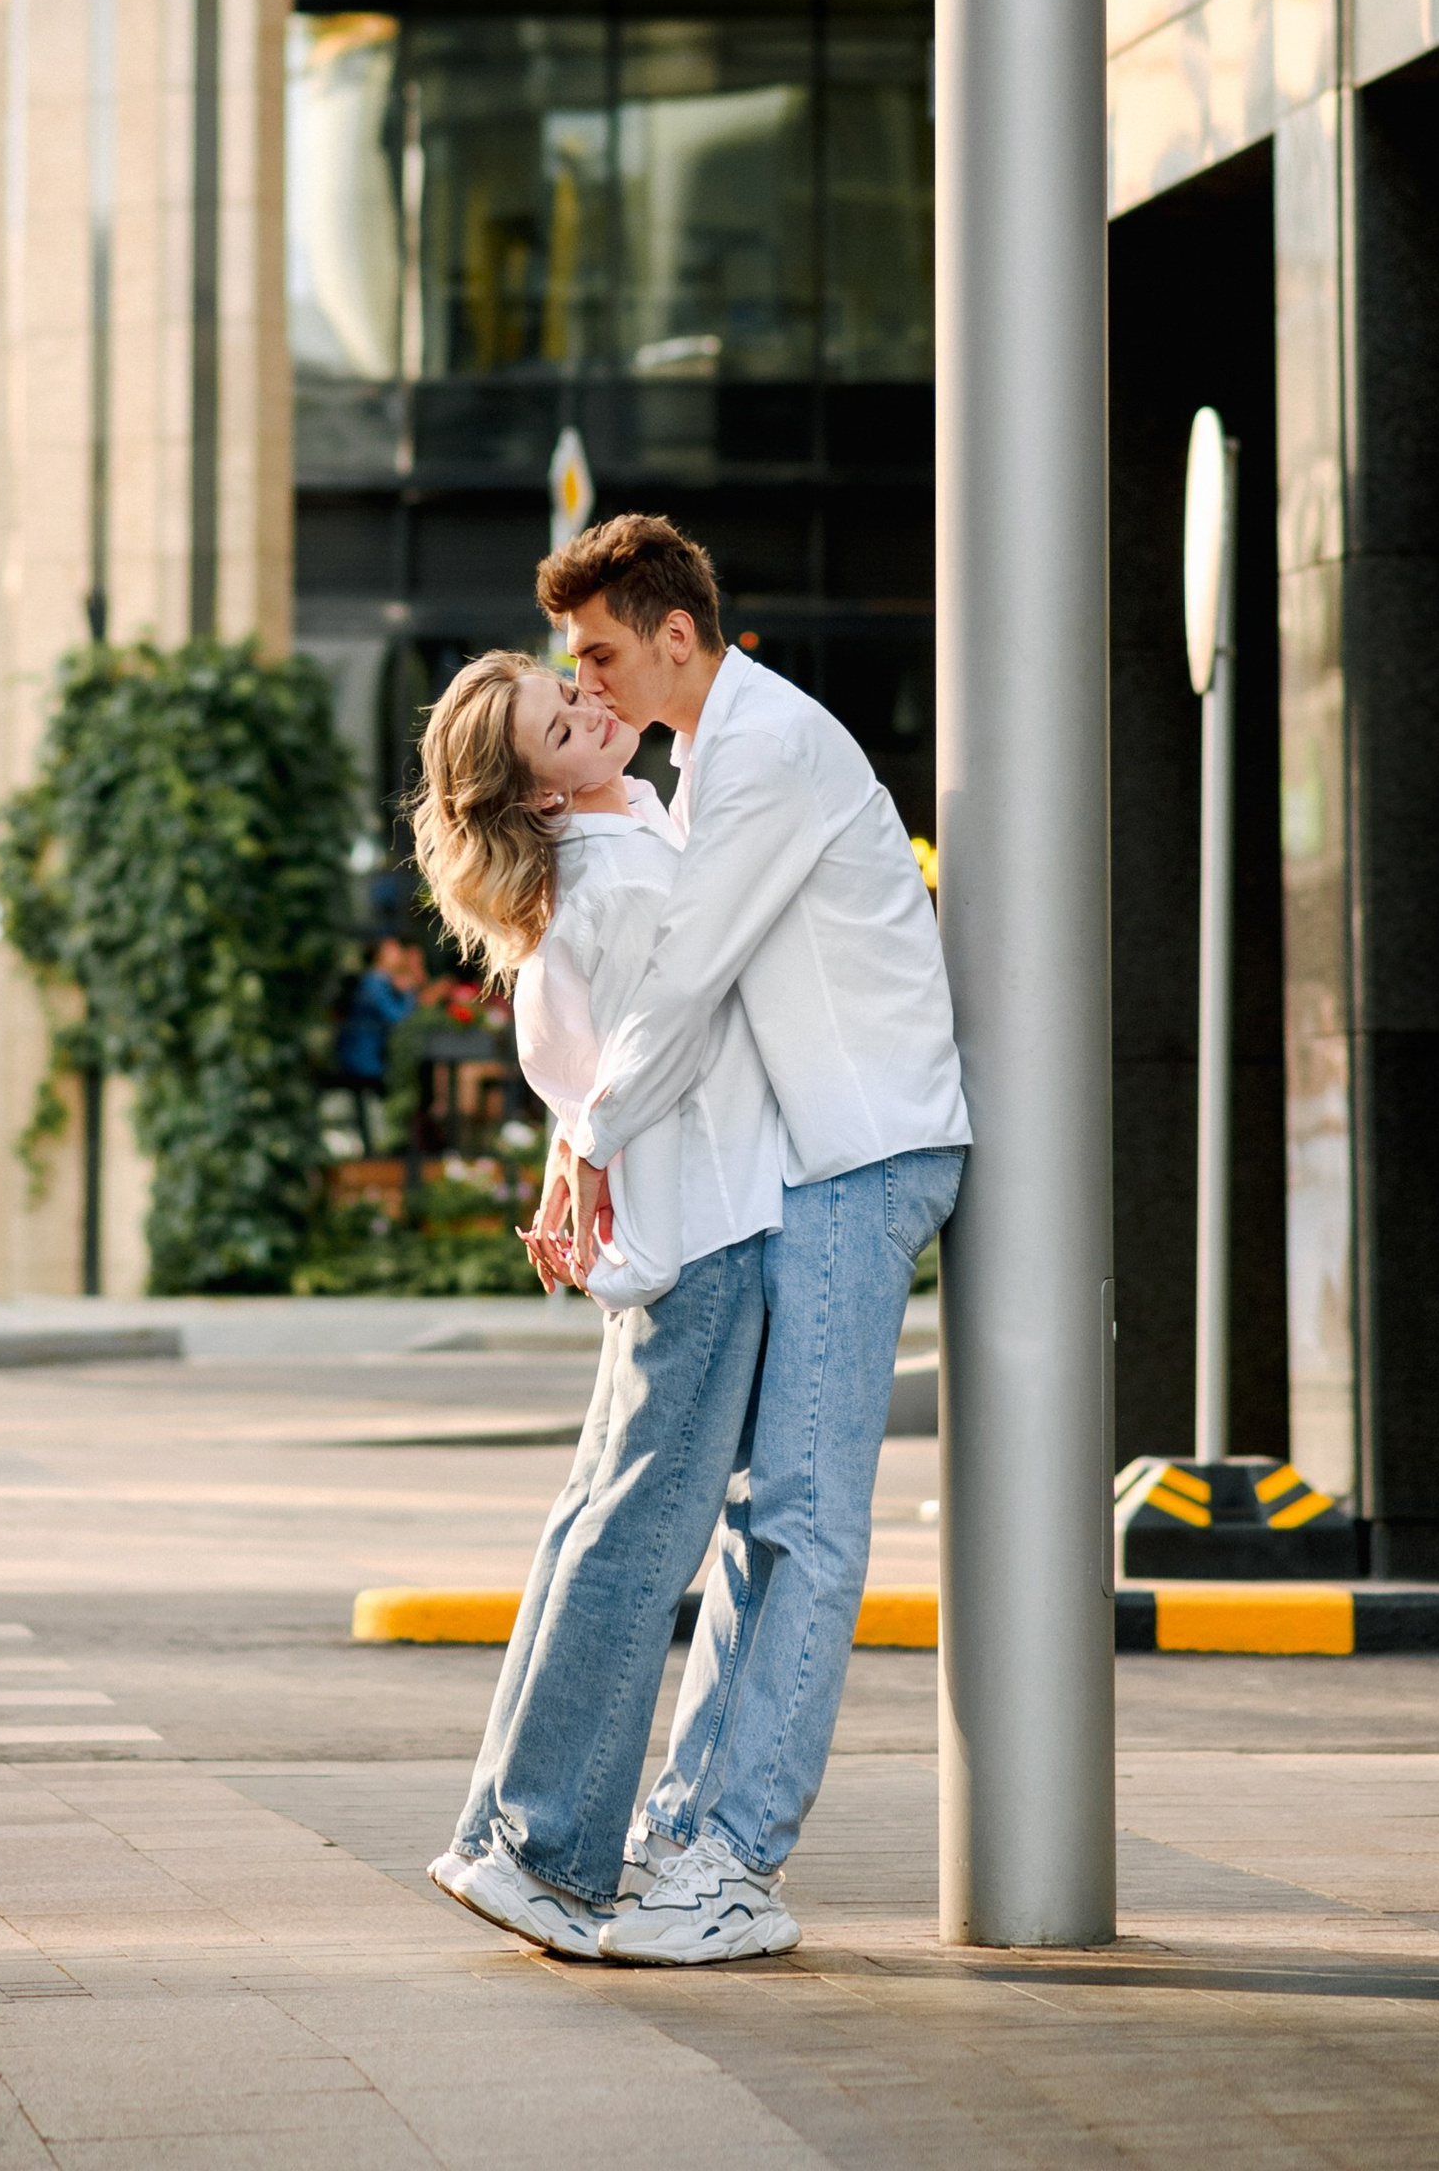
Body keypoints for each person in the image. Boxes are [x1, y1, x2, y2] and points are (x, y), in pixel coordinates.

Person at [534, 510, 969, 1966]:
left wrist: (587, 1146)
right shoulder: (699, 761)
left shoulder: (765, 748)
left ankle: (736, 1861)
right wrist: (576, 1136)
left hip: (862, 1155)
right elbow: (650, 979)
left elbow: (691, 966)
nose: (586, 685)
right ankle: (685, 1833)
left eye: (597, 654)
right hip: (810, 1165)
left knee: (802, 1518)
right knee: (758, 1519)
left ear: (674, 636)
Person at [409, 645, 792, 1963]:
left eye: (572, 696)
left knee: (603, 1526)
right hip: (704, 1233)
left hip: (674, 1230)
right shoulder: (617, 873)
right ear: (538, 794)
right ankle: (544, 1852)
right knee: (636, 1548)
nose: (589, 714)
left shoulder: (618, 842)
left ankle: (507, 1836)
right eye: (558, 728)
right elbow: (661, 1043)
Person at [329, 935, 424, 1155]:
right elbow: (398, 1018)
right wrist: (409, 989)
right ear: (380, 956)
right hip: (364, 1059)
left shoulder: (381, 982)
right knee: (370, 1115)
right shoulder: (374, 982)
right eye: (393, 949)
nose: (399, 952)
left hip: (371, 1058)